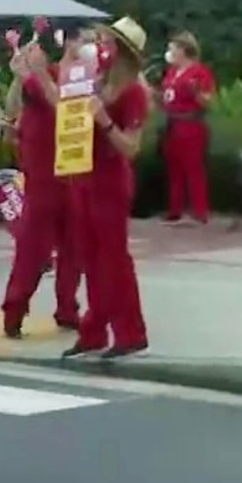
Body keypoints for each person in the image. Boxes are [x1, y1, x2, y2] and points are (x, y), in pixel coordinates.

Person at [62, 19, 152, 360]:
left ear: (124, 52)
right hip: (85, 176)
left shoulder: (133, 93)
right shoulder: (99, 82)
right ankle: (94, 330)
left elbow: (131, 147)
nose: (102, 46)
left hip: (111, 181)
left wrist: (104, 121)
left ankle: (130, 332)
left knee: (113, 260)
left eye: (109, 42)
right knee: (90, 258)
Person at [0, 35, 82, 337]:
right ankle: (14, 309)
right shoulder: (37, 80)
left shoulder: (71, 77)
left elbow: (67, 107)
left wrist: (32, 75)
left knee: (74, 246)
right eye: (80, 40)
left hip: (72, 171)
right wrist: (21, 76)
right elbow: (14, 106)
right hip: (43, 176)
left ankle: (68, 309)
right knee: (33, 248)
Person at [158, 31, 217, 225]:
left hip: (191, 124)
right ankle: (175, 208)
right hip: (172, 123)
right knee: (173, 167)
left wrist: (196, 92)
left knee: (193, 167)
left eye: (173, 47)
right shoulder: (172, 72)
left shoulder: (199, 72)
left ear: (183, 50)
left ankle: (200, 210)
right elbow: (166, 97)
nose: (170, 51)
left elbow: (207, 101)